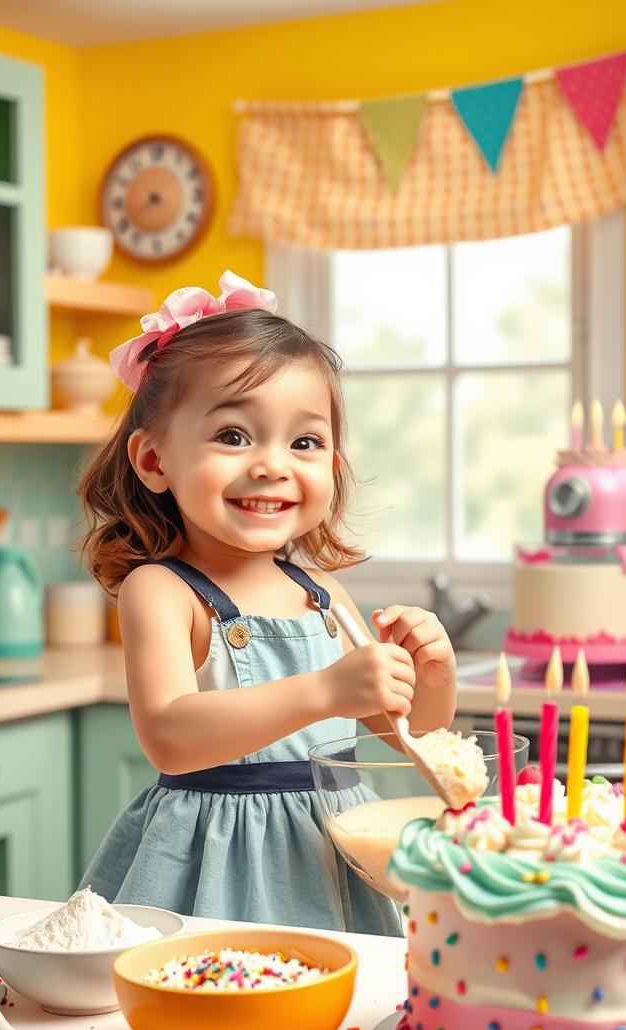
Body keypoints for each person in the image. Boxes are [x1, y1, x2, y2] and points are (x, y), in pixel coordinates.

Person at [76, 270, 458, 934]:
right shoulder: (162, 591)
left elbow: (412, 738)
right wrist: (326, 690)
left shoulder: (322, 595)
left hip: (332, 857)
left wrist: (431, 674)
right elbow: (169, 737)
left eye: (304, 442)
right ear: (154, 460)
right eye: (233, 436)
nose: (273, 464)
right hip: (210, 869)